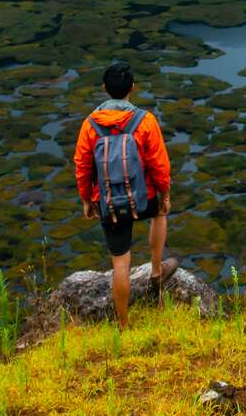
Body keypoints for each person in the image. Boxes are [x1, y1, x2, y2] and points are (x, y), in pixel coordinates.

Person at [73, 61, 176, 327]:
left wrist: (87, 200)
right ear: (132, 87)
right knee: (159, 215)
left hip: (110, 203)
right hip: (145, 198)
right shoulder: (145, 121)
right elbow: (159, 164)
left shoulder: (90, 125)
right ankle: (155, 270)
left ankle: (123, 322)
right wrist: (164, 194)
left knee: (121, 263)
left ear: (104, 88)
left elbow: (82, 166)